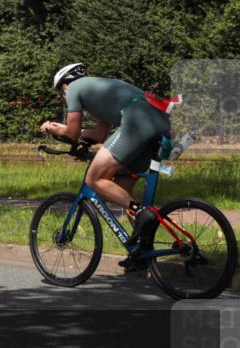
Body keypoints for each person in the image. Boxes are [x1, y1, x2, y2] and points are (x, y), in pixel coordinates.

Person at [40, 63, 170, 267]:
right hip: (157, 120)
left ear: (65, 85)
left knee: (94, 179)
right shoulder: (99, 90)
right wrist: (78, 136)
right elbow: (100, 135)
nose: (63, 97)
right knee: (121, 191)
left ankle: (143, 212)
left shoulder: (74, 88)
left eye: (60, 93)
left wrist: (52, 128)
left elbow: (72, 132)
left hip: (136, 120)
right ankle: (142, 254)